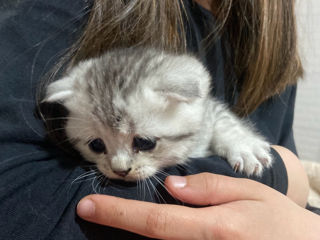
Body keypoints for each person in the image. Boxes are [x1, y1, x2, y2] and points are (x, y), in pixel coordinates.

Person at [0, 0, 319, 239]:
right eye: (97, 145)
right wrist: (281, 174)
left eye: (144, 143)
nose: (119, 168)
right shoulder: (50, 13)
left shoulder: (269, 50)